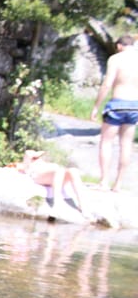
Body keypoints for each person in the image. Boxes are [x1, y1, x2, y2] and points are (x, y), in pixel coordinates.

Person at [91, 34, 138, 191]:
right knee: (126, 144)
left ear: (119, 46)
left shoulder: (116, 59)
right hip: (134, 105)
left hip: (117, 103)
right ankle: (118, 183)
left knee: (107, 142)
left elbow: (107, 84)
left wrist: (96, 106)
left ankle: (104, 181)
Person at [15, 149, 86, 214]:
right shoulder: (28, 163)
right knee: (59, 171)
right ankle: (57, 203)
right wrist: (39, 153)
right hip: (39, 176)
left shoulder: (42, 161)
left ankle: (82, 206)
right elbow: (29, 154)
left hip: (55, 176)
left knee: (73, 171)